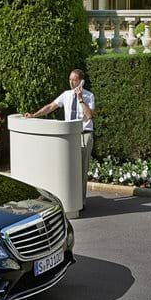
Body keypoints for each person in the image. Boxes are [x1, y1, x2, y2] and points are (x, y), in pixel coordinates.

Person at [25, 69, 96, 201]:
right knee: (66, 167)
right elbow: (51, 106)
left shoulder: (89, 96)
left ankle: (81, 200)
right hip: (69, 135)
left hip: (84, 134)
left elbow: (89, 115)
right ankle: (67, 198)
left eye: (74, 79)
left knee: (81, 169)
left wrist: (81, 100)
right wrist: (34, 115)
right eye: (70, 79)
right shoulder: (66, 95)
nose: (71, 82)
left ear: (81, 81)